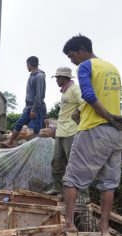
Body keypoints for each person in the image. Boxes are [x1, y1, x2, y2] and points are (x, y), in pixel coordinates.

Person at [62, 35, 122, 236]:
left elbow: (88, 94)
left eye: (72, 56)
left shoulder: (86, 66)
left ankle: (70, 224)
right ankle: (104, 229)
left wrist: (107, 116)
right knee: (109, 183)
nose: (72, 60)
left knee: (71, 179)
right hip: (116, 134)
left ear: (82, 50)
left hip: (95, 128)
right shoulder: (112, 68)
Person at [45, 67, 89, 201]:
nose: (57, 80)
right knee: (57, 162)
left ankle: (83, 195)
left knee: (75, 163)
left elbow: (86, 100)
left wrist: (78, 111)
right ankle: (57, 188)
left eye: (58, 78)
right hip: (61, 131)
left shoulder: (74, 89)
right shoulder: (65, 91)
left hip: (71, 131)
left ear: (65, 78)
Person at [7, 56, 46, 146]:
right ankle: (10, 142)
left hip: (35, 106)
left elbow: (39, 95)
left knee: (35, 129)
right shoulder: (32, 74)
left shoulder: (39, 76)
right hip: (28, 105)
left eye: (27, 65)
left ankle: (35, 148)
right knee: (19, 124)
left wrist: (34, 110)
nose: (27, 67)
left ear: (29, 64)